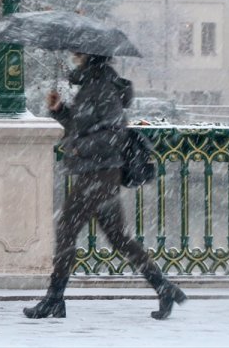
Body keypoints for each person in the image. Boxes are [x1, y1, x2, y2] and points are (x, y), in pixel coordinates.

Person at [24, 52, 186, 320]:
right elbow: (81, 126)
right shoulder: (91, 85)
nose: (73, 55)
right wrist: (60, 111)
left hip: (98, 174)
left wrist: (78, 147)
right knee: (118, 238)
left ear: (90, 56)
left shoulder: (102, 86)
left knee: (66, 230)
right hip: (98, 172)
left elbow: (113, 133)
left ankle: (55, 299)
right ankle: (163, 287)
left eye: (78, 51)